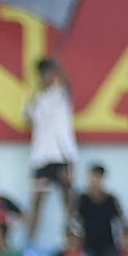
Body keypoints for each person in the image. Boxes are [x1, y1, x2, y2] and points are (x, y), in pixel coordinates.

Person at [25, 58, 78, 242]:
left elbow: (68, 83)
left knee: (69, 203)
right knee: (37, 201)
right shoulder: (36, 99)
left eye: (48, 73)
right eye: (42, 74)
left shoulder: (61, 94)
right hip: (41, 157)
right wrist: (36, 97)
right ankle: (30, 244)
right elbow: (27, 119)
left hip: (62, 155)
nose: (45, 77)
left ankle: (72, 245)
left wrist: (58, 66)